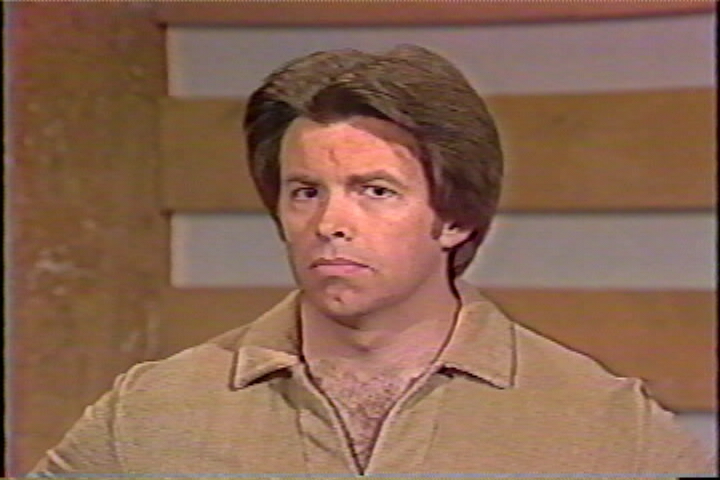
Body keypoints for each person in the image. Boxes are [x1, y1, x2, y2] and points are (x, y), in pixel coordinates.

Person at [29, 44, 714, 476]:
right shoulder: (154, 412)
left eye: (375, 192)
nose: (331, 223)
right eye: (306, 192)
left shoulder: (601, 425)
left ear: (454, 218)